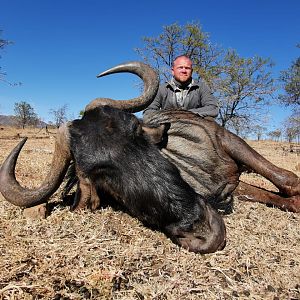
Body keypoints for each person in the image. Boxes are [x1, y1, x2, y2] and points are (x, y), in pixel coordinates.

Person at [143, 55, 219, 122]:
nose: (184, 71)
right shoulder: (161, 89)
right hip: (169, 130)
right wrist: (171, 117)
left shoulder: (201, 87)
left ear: (191, 71)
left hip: (195, 129)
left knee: (210, 121)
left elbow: (213, 109)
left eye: (187, 68)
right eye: (180, 67)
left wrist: (184, 115)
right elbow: (148, 113)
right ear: (173, 71)